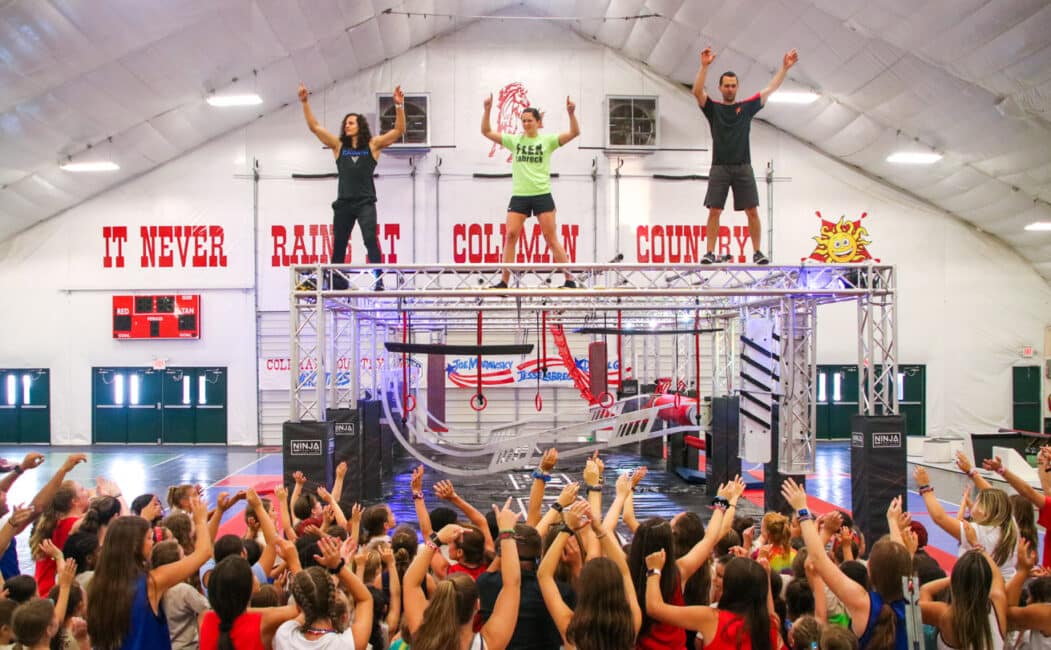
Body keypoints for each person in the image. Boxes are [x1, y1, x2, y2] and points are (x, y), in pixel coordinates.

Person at [692, 47, 798, 265]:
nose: (730, 89)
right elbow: (697, 91)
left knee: (752, 210)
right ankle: (710, 252)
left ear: (737, 87)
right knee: (714, 210)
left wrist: (784, 68)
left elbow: (770, 89)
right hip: (719, 167)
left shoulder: (746, 108)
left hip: (743, 166)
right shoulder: (713, 109)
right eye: (726, 86)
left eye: (733, 86)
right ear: (720, 88)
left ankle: (757, 252)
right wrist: (704, 67)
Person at [297, 83, 405, 291]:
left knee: (370, 239)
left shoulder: (373, 145)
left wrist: (399, 107)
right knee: (339, 243)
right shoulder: (339, 146)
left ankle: (378, 280)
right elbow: (315, 127)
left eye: (351, 123)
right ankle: (337, 281)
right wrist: (305, 103)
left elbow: (399, 130)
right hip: (344, 203)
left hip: (365, 202)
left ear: (360, 126)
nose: (347, 126)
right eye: (346, 123)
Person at [481, 94, 580, 289]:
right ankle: (504, 282)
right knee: (510, 235)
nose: (526, 124)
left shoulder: (548, 141)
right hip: (520, 195)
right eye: (523, 121)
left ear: (537, 122)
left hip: (542, 194)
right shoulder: (514, 141)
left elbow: (575, 132)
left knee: (551, 238)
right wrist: (487, 109)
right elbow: (486, 131)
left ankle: (569, 280)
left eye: (529, 121)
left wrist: (571, 113)